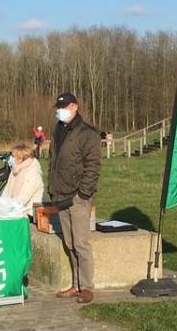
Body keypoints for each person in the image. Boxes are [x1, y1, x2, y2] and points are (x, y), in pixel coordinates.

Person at [48, 92, 101, 304]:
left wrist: (83, 193)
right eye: (58, 107)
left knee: (81, 243)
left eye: (64, 106)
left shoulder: (87, 133)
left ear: (75, 107)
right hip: (60, 194)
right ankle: (76, 284)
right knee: (70, 243)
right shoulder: (58, 130)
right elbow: (53, 160)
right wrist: (52, 188)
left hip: (78, 196)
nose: (60, 110)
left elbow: (93, 166)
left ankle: (87, 287)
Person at [2, 141, 44, 218]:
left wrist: (7, 209)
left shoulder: (33, 172)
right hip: (15, 211)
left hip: (27, 214)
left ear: (20, 158)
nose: (11, 159)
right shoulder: (15, 170)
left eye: (13, 156)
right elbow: (6, 192)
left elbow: (23, 197)